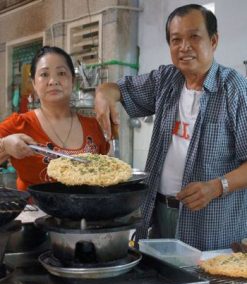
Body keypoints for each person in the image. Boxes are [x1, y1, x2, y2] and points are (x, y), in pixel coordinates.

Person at [94, 4, 247, 251]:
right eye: (176, 40)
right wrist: (103, 95)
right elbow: (118, 89)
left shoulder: (235, 89)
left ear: (214, 40)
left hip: (211, 223)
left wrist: (217, 186)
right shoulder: (167, 80)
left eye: (194, 37)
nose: (184, 47)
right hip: (159, 211)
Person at [0, 46, 109, 191]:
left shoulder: (93, 126)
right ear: (34, 83)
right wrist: (4, 145)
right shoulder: (20, 125)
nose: (53, 81)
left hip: (87, 211)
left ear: (72, 80)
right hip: (35, 212)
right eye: (44, 74)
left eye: (61, 73)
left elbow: (105, 172)